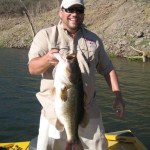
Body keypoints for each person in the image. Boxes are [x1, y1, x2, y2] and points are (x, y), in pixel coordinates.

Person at [28, 0, 125, 149]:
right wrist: (47, 59)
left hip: (88, 110)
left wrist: (118, 96)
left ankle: (74, 141)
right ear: (60, 12)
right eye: (70, 10)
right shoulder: (45, 35)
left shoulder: (94, 40)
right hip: (52, 111)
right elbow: (32, 68)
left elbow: (107, 69)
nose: (75, 14)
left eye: (79, 10)